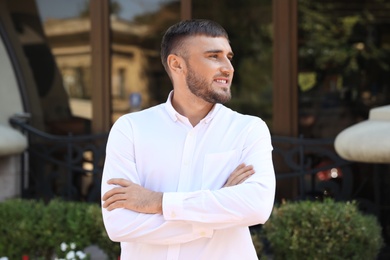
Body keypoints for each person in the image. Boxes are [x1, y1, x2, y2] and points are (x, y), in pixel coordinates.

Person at [101, 19, 276, 260]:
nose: (228, 67)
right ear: (177, 64)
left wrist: (158, 202)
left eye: (229, 57)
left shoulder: (248, 130)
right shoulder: (130, 129)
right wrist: (215, 213)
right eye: (214, 56)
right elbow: (120, 225)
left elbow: (256, 206)